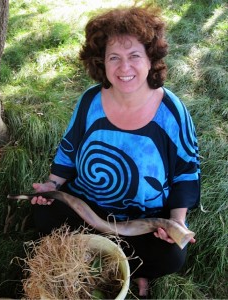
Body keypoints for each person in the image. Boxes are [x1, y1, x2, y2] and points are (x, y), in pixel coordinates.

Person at [31, 5, 200, 297]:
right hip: (87, 204)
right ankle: (98, 260)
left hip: (141, 219)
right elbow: (69, 150)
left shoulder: (171, 111)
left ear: (150, 59)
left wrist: (177, 222)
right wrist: (53, 185)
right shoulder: (89, 101)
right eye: (114, 58)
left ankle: (126, 265)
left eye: (134, 56)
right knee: (40, 214)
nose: (124, 68)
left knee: (171, 256)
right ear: (102, 62)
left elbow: (187, 171)